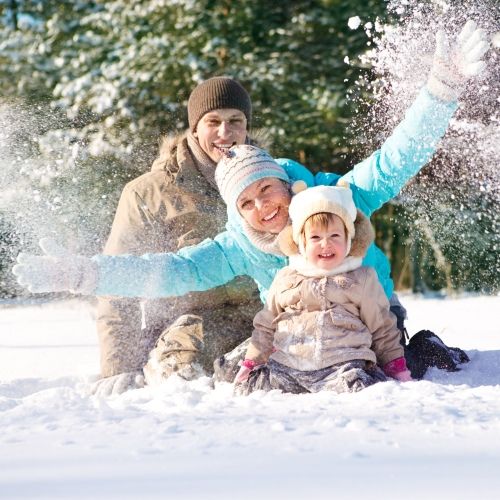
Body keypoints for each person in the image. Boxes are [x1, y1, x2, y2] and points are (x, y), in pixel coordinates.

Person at [13, 21, 488, 384]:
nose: (262, 207)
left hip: (370, 321)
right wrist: (80, 273)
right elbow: (168, 270)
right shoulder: (236, 245)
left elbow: (396, 159)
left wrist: (441, 90)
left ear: (283, 182)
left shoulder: (334, 197)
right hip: (300, 335)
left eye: (267, 190)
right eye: (246, 203)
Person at [93, 76, 268, 395]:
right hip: (185, 329)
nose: (225, 133)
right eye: (213, 121)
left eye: (235, 121)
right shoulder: (149, 193)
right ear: (195, 128)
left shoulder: (270, 182)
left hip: (261, 322)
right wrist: (117, 367)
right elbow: (118, 282)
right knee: (184, 387)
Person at [233, 183, 412, 395]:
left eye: (335, 236)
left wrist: (395, 364)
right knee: (249, 388)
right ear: (301, 243)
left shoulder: (361, 278)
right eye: (315, 237)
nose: (325, 244)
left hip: (343, 365)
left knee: (362, 389)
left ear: (348, 240)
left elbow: (381, 327)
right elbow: (265, 326)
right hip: (287, 366)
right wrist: (251, 362)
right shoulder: (286, 278)